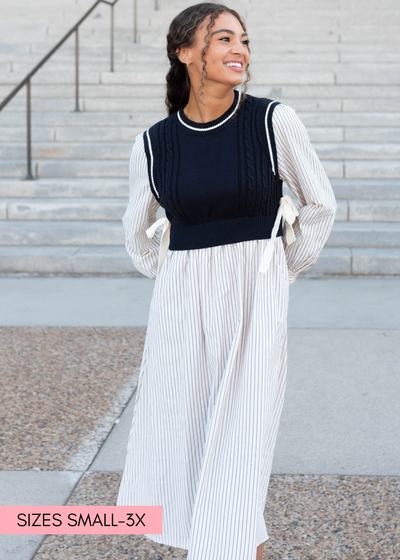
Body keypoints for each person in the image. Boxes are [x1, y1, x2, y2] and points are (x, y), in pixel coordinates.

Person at [116, 3, 337, 560]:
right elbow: (135, 228)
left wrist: (283, 265)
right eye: (222, 39)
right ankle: (247, 549)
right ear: (186, 52)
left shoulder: (272, 121)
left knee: (242, 435)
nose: (239, 49)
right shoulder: (154, 142)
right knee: (183, 430)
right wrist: (171, 270)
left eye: (243, 39)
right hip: (181, 298)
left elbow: (320, 203)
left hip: (253, 290)